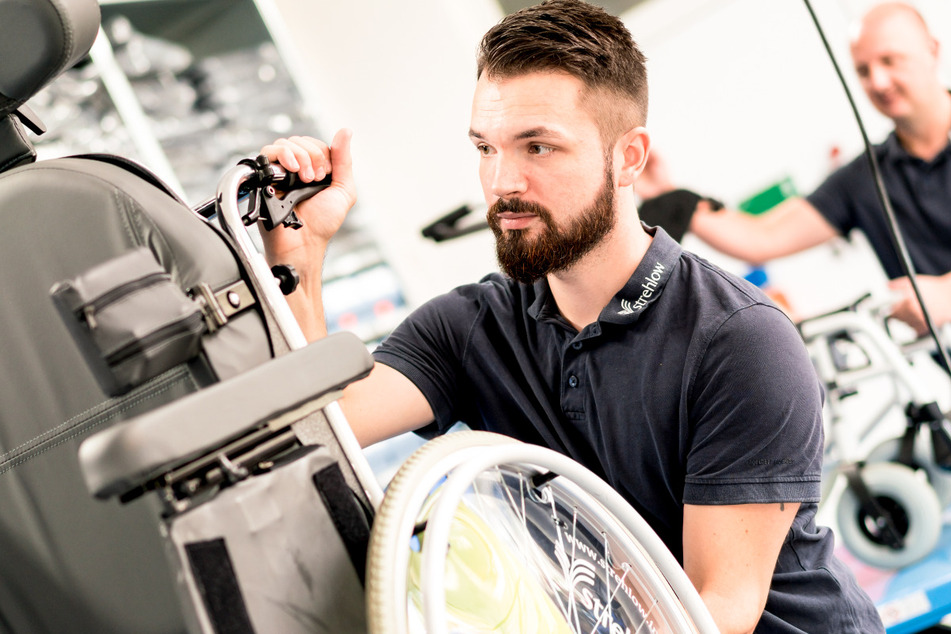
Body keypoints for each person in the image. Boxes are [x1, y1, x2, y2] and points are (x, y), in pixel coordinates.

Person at [260, 1, 884, 632]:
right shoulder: (472, 327)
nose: (503, 180)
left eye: (539, 146)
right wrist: (299, 258)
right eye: (486, 147)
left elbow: (715, 612)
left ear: (629, 157)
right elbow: (322, 422)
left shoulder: (737, 339)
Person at [689, 1, 951, 337]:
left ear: (931, 50)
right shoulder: (865, 179)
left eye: (890, 60)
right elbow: (761, 237)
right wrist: (673, 200)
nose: (879, 82)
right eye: (863, 70)